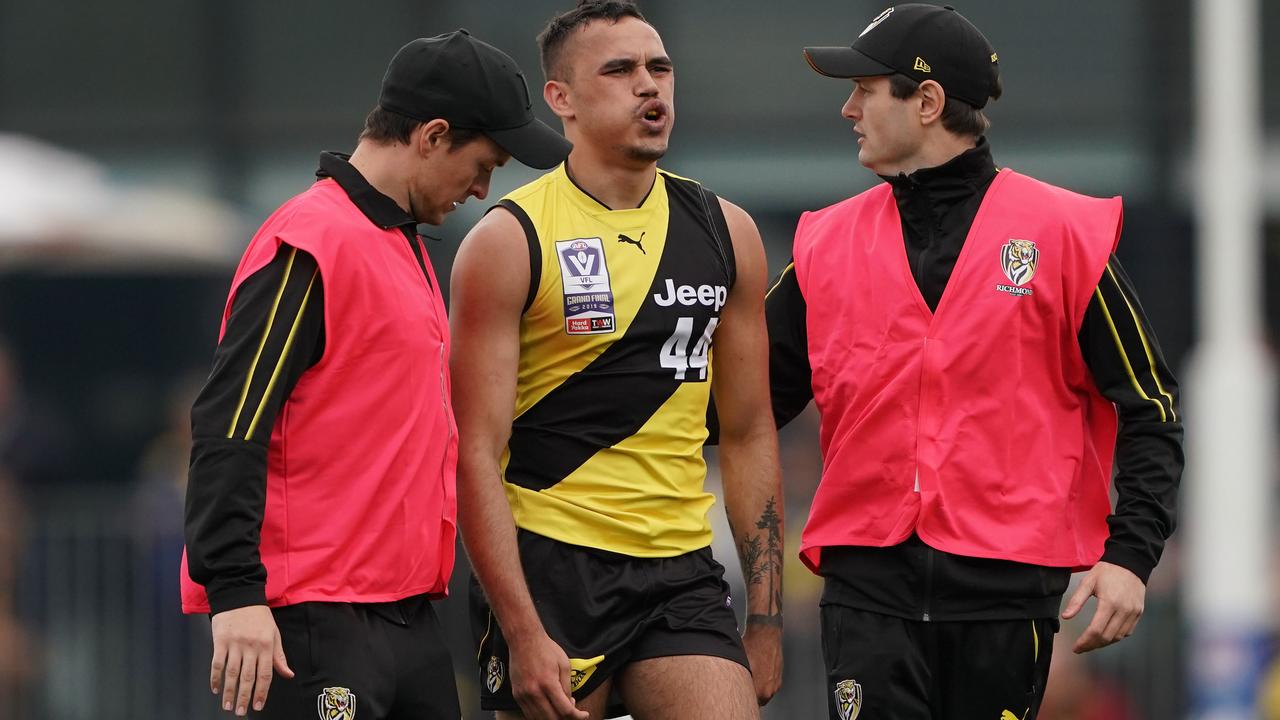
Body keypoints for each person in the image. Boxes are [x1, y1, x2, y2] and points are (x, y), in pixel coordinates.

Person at [768, 5, 1183, 719]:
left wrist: (1131, 557)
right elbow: (740, 405)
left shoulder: (1062, 234)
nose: (847, 108)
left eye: (865, 89)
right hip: (866, 592)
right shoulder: (822, 246)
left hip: (1007, 596)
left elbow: (1153, 408)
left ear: (926, 102)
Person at [180, 30, 570, 719]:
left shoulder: (398, 242)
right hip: (312, 620)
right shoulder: (310, 241)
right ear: (432, 135)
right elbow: (229, 422)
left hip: (405, 617)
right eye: (483, 164)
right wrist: (237, 594)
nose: (483, 189)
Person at [449, 2, 784, 718]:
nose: (649, 87)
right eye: (621, 70)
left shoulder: (729, 232)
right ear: (561, 99)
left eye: (660, 68)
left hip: (681, 572)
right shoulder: (509, 239)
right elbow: (474, 450)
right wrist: (519, 628)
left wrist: (765, 617)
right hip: (548, 565)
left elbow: (751, 431)